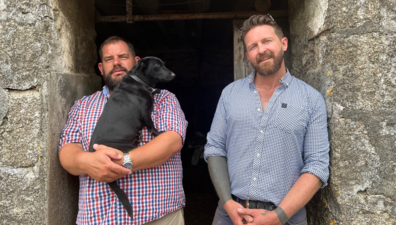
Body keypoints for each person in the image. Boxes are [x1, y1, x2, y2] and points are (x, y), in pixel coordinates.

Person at [204, 15, 330, 225]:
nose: (261, 50)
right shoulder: (230, 94)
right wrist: (227, 203)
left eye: (266, 41)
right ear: (247, 55)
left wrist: (277, 216)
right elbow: (215, 148)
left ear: (284, 43)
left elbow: (317, 165)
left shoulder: (311, 99)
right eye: (253, 46)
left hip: (287, 218)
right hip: (230, 215)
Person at [58, 36, 188, 225]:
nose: (116, 63)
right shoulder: (82, 106)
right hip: (98, 218)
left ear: (137, 63)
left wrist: (123, 163)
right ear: (101, 68)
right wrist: (87, 161)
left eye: (122, 56)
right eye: (109, 59)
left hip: (157, 215)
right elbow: (67, 151)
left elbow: (171, 141)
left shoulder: (164, 99)